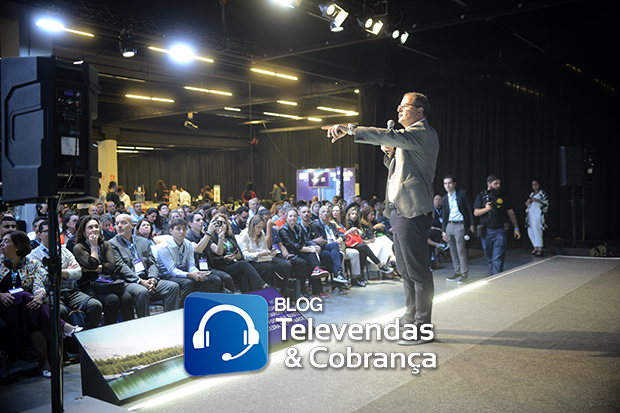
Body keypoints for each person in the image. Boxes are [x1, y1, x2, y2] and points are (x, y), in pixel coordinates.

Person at [324, 91, 439, 345]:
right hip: (399, 211)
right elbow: (398, 171)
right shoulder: (406, 139)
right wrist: (389, 154)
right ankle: (411, 319)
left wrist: (350, 129)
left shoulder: (423, 133)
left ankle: (422, 327)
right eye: (399, 106)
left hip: (413, 211)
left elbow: (389, 136)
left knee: (418, 271)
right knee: (405, 270)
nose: (399, 110)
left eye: (404, 106)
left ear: (419, 111)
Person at [0, 231, 82, 378]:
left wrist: (40, 296)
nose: (1, 244)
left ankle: (44, 364)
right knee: (24, 295)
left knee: (34, 317)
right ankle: (63, 327)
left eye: (6, 241)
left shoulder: (31, 263)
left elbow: (38, 285)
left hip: (23, 308)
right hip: (4, 306)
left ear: (17, 246)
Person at [28, 221, 103, 329]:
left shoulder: (65, 251)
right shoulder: (33, 255)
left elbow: (78, 273)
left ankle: (85, 335)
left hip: (70, 291)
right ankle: (66, 338)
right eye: (47, 231)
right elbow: (45, 279)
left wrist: (54, 272)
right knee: (60, 311)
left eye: (55, 231)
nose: (52, 234)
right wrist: (68, 271)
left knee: (95, 305)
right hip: (50, 292)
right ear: (39, 234)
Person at [109, 214, 180, 317]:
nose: (119, 226)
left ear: (132, 225)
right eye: (117, 223)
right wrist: (140, 281)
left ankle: (169, 319)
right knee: (142, 291)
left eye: (123, 223)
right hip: (128, 281)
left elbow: (152, 263)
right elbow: (121, 267)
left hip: (147, 278)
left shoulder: (143, 241)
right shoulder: (112, 244)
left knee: (173, 287)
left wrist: (152, 279)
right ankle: (144, 322)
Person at [73, 216, 134, 325]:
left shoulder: (106, 244)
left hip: (108, 282)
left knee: (127, 297)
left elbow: (111, 266)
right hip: (89, 284)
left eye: (96, 226)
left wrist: (91, 269)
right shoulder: (79, 247)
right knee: (112, 300)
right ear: (83, 232)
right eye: (90, 227)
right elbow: (92, 263)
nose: (94, 229)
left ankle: (129, 327)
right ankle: (109, 329)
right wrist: (93, 246)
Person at [156, 218, 221, 306]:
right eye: (178, 229)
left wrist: (197, 273)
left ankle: (202, 306)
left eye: (184, 229)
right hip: (167, 276)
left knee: (206, 280)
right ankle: (183, 308)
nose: (182, 232)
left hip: (183, 272)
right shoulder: (164, 247)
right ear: (171, 231)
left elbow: (191, 265)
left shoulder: (188, 244)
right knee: (188, 283)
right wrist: (190, 275)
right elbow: (172, 271)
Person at [208, 214, 269, 293]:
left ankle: (248, 296)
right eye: (220, 222)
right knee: (244, 264)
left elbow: (240, 253)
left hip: (233, 262)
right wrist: (224, 258)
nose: (223, 225)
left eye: (225, 223)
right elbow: (214, 257)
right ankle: (263, 286)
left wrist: (237, 256)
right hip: (221, 264)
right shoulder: (212, 238)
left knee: (244, 273)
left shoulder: (230, 236)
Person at [474, 175, 521, 275]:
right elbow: (476, 212)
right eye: (496, 183)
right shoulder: (481, 196)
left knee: (498, 257)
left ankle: (496, 277)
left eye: (499, 183)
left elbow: (511, 213)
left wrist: (516, 228)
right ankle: (493, 276)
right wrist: (486, 209)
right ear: (489, 184)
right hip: (485, 231)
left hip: (500, 230)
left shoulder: (503, 196)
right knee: (489, 256)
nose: (498, 185)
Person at [279, 208, 328, 298]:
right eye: (290, 216)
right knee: (304, 263)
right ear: (286, 217)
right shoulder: (283, 230)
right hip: (291, 254)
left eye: (294, 216)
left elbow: (306, 240)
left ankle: (316, 276)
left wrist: (314, 246)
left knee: (312, 258)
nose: (293, 218)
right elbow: (292, 245)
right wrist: (309, 249)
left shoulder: (298, 228)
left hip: (299, 252)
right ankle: (302, 291)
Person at [238, 216, 292, 293]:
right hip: (251, 261)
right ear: (252, 226)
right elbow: (245, 255)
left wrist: (270, 253)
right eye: (258, 227)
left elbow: (265, 248)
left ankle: (282, 291)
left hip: (263, 258)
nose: (260, 230)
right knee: (269, 267)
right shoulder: (244, 235)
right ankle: (272, 292)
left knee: (286, 265)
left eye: (262, 227)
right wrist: (259, 254)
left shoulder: (261, 233)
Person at [185, 212, 235, 293]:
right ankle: (214, 299)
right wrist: (209, 232)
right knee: (216, 280)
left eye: (202, 219)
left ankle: (233, 298)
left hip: (207, 267)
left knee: (227, 277)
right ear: (190, 224)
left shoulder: (203, 235)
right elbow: (198, 249)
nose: (201, 222)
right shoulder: (187, 237)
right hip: (195, 269)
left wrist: (221, 236)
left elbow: (219, 251)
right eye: (198, 220)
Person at [441, 175, 476, 283]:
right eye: (445, 183)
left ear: (454, 184)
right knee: (452, 250)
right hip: (449, 225)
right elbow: (444, 214)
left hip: (460, 224)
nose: (447, 185)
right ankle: (457, 272)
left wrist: (472, 224)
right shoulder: (445, 198)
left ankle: (464, 274)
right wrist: (443, 230)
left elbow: (469, 209)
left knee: (461, 250)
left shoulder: (462, 194)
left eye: (449, 183)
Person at [525, 180, 549, 256]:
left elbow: (545, 202)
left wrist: (536, 200)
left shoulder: (542, 192)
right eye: (533, 184)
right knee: (530, 230)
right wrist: (529, 201)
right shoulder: (532, 194)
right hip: (531, 214)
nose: (534, 186)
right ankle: (535, 247)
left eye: (536, 184)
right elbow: (526, 204)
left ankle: (540, 248)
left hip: (538, 213)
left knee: (537, 230)